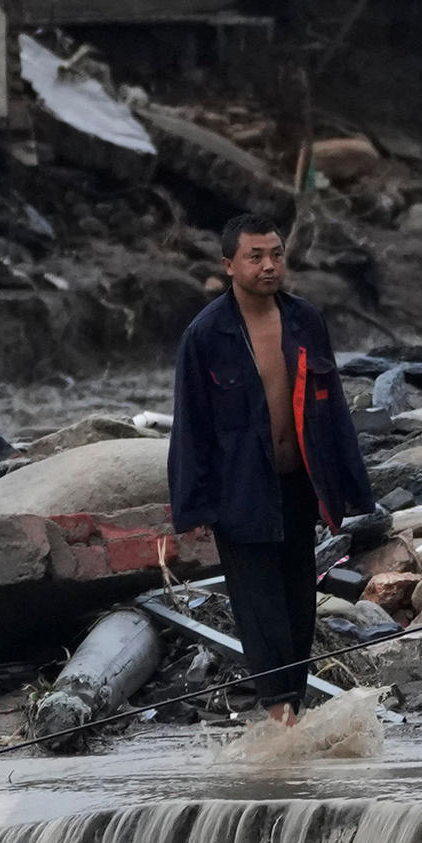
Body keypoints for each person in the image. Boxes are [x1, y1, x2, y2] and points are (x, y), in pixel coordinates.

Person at [164, 205, 380, 717]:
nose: (268, 266)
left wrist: (350, 485)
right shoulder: (206, 335)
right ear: (229, 265)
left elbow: (332, 413)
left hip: (299, 484)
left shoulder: (306, 320)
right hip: (239, 492)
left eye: (276, 255)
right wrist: (192, 511)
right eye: (254, 256)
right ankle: (280, 713)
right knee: (259, 607)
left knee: (299, 602)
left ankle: (292, 709)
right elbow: (190, 425)